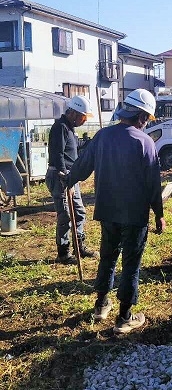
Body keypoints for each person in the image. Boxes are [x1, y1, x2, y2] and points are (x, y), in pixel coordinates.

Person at [67, 88, 166, 336]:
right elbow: (153, 184)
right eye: (147, 118)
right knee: (131, 264)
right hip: (134, 216)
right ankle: (124, 318)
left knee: (108, 257)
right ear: (143, 116)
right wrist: (159, 213)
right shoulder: (145, 143)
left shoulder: (102, 136)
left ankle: (101, 305)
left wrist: (68, 181)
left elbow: (82, 166)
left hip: (107, 211)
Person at [45, 95, 98, 265]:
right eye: (83, 117)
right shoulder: (59, 127)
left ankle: (80, 247)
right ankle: (63, 253)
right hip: (60, 176)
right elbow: (57, 153)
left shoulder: (69, 128)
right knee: (66, 215)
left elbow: (74, 148)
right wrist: (63, 175)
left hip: (70, 176)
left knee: (79, 212)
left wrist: (90, 143)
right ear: (74, 113)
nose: (83, 121)